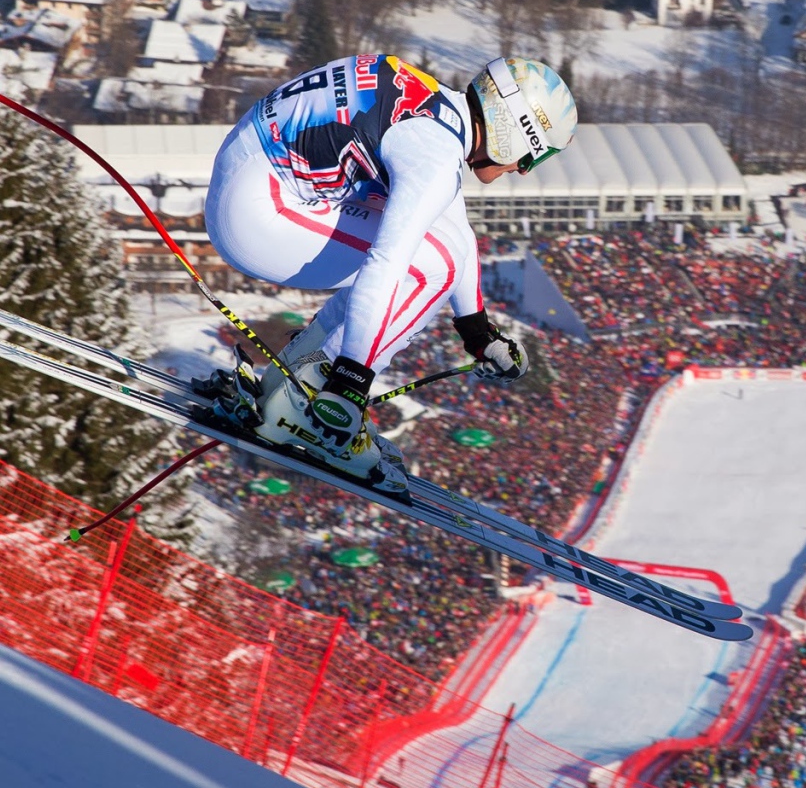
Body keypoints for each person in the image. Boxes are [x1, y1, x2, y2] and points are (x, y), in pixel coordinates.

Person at [203, 53, 577, 493]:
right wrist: (352, 383)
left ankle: (297, 379)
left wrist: (476, 331)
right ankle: (319, 404)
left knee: (438, 252)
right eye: (532, 157)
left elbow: (456, 229)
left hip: (252, 179)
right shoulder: (434, 154)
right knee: (426, 266)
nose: (523, 170)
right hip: (258, 212)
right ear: (516, 131)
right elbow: (390, 264)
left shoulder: (438, 113)